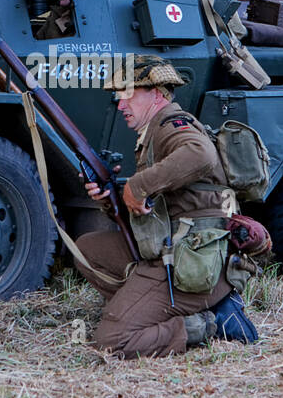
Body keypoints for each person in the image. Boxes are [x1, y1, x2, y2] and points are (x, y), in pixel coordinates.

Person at [76, 55, 258, 358]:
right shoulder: (152, 135)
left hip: (189, 261)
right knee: (87, 248)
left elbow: (200, 155)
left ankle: (207, 321)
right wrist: (111, 200)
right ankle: (145, 310)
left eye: (128, 94)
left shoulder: (172, 124)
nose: (120, 104)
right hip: (168, 249)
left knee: (111, 342)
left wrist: (138, 186)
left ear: (157, 94)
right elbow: (156, 210)